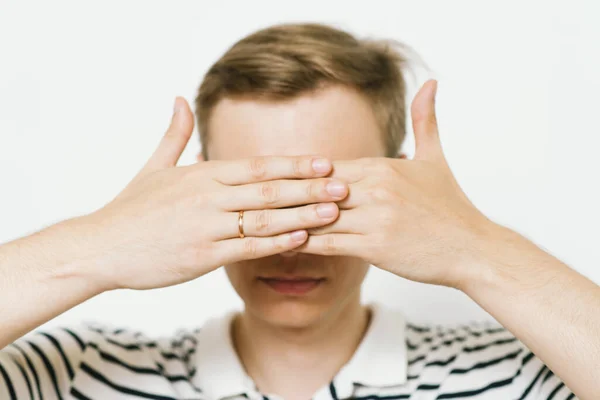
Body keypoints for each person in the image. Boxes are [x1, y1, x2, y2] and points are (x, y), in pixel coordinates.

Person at [0, 22, 597, 400]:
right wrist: (96, 246)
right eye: (255, 197)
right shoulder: (74, 375)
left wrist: (479, 250)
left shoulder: (519, 377)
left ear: (404, 195)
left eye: (325, 199)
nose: (288, 241)